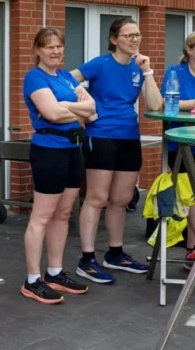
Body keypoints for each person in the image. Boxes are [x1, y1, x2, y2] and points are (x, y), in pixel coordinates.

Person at [71, 16, 163, 283]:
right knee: (96, 198)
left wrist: (148, 72)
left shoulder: (138, 67)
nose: (135, 39)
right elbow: (66, 81)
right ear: (114, 39)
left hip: (129, 137)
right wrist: (85, 106)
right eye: (128, 35)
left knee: (121, 199)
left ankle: (115, 253)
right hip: (101, 136)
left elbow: (155, 104)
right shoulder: (100, 64)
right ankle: (87, 260)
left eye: (137, 35)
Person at [21, 28, 95, 304]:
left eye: (59, 46)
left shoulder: (65, 76)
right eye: (49, 47)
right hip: (49, 151)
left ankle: (54, 272)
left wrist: (64, 105)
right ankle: (32, 280)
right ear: (38, 50)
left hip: (73, 149)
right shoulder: (34, 77)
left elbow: (93, 110)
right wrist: (72, 108)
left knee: (63, 214)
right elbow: (51, 114)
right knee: (41, 216)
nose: (55, 51)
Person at [162, 31, 195, 262]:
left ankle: (192, 249)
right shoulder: (175, 72)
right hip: (181, 144)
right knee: (189, 196)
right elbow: (168, 102)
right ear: (189, 50)